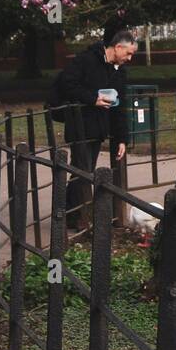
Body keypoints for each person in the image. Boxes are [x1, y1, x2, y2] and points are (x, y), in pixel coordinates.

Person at [61, 29, 136, 229]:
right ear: (117, 47)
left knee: (83, 169)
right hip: (81, 125)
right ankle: (77, 217)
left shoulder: (119, 72)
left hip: (98, 128)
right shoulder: (86, 60)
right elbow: (67, 85)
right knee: (82, 169)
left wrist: (121, 138)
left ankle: (71, 212)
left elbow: (120, 105)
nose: (129, 58)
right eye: (128, 53)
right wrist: (92, 98)